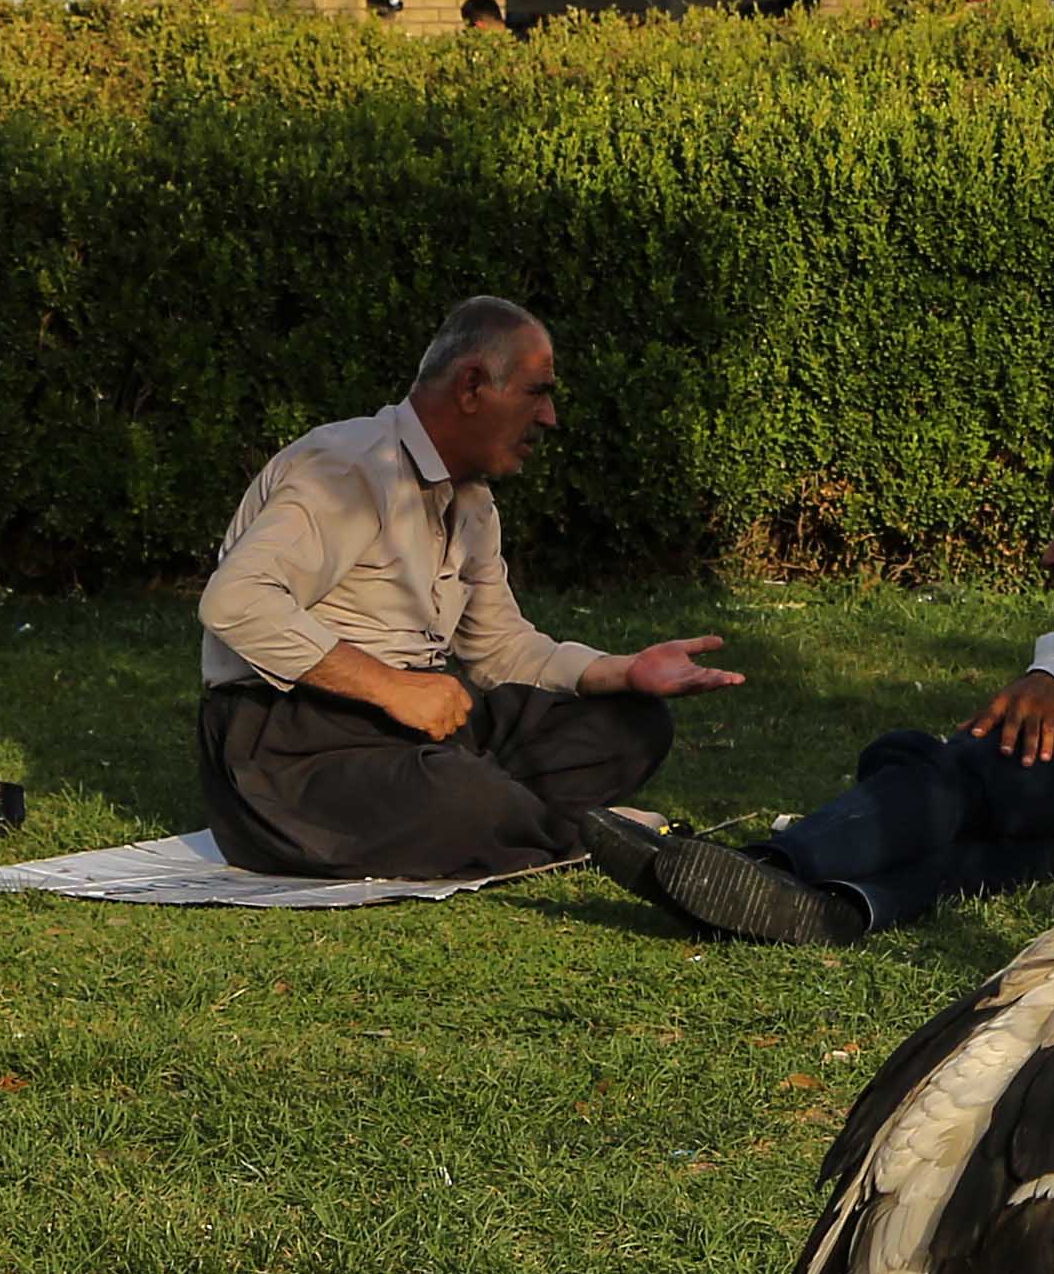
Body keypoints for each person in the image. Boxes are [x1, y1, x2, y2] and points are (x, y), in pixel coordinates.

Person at [619, 440, 1054, 945]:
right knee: (965, 852)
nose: (1049, 554)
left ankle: (766, 864)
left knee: (951, 775)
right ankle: (835, 907)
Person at [192, 299, 738, 883]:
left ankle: (521, 820)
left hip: (419, 730)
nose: (550, 416)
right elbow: (236, 600)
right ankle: (583, 835)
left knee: (634, 726)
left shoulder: (472, 502)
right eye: (537, 392)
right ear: (472, 385)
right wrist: (390, 687)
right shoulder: (348, 468)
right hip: (292, 741)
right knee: (463, 797)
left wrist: (626, 672)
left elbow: (501, 649)